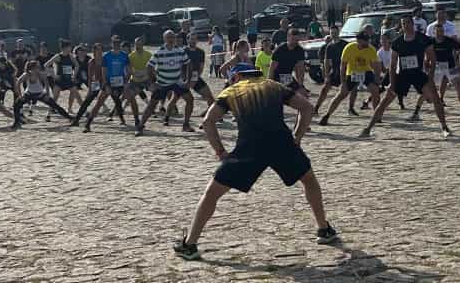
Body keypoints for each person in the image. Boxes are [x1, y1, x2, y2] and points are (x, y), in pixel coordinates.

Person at [171, 69, 339, 261]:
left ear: (236, 77)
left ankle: (190, 244)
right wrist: (297, 137)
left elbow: (208, 121)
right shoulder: (274, 86)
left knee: (212, 194)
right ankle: (323, 228)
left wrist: (221, 152)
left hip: (248, 147)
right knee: (309, 181)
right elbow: (307, 107)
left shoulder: (231, 91)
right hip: (281, 142)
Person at [362, 20, 452, 137]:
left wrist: (430, 77)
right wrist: (392, 84)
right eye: (403, 24)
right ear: (401, 26)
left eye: (408, 23)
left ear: (412, 24)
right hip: (403, 74)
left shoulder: (423, 39)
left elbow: (433, 59)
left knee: (435, 98)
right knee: (385, 100)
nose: (406, 26)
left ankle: (444, 127)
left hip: (418, 73)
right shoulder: (397, 42)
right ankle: (368, 129)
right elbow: (393, 65)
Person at [319, 29, 381, 124]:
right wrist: (343, 82)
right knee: (341, 94)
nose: (367, 42)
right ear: (358, 41)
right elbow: (343, 66)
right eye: (365, 40)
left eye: (368, 40)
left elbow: (376, 66)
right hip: (352, 72)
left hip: (366, 71)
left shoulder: (371, 49)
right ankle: (327, 115)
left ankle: (377, 116)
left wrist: (376, 80)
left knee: (375, 92)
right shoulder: (349, 48)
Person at [138, 30, 193, 135]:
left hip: (177, 81)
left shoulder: (180, 51)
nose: (171, 39)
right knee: (152, 105)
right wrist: (153, 83)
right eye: (168, 37)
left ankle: (186, 124)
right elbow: (149, 66)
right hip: (163, 82)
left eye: (172, 37)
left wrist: (188, 81)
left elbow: (189, 64)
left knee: (190, 99)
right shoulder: (159, 52)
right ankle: (140, 126)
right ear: (164, 39)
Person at [79, 36, 132, 131]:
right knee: (97, 103)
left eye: (117, 43)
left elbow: (126, 70)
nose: (116, 45)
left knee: (117, 101)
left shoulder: (112, 56)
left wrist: (124, 81)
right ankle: (87, 123)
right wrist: (97, 86)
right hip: (104, 83)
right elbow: (94, 75)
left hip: (114, 83)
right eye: (114, 43)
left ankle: (122, 119)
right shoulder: (100, 58)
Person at [14, 59, 72, 127]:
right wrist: (20, 95)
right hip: (29, 94)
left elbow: (46, 84)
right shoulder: (26, 74)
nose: (39, 68)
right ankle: (17, 122)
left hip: (40, 94)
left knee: (55, 106)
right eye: (37, 67)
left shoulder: (40, 74)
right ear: (33, 68)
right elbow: (18, 82)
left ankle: (70, 118)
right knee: (16, 105)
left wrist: (47, 95)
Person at [312, 25, 346, 116]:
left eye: (335, 33)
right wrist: (326, 75)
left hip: (346, 71)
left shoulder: (345, 44)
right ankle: (316, 108)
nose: (333, 35)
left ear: (338, 33)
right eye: (332, 33)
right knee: (324, 89)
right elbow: (326, 62)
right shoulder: (329, 46)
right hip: (335, 71)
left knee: (352, 90)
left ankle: (351, 108)